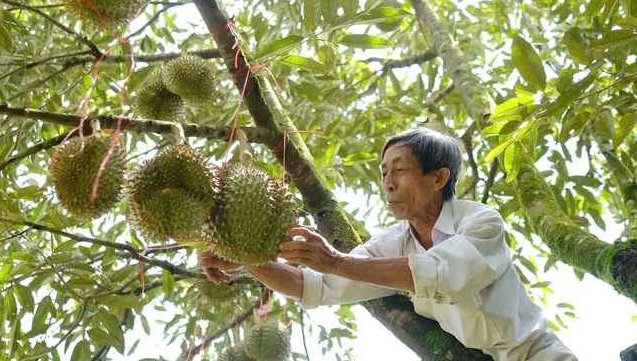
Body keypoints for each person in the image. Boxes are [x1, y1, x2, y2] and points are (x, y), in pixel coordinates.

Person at [199, 127, 577, 360]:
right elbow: (312, 286)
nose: (388, 184)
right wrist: (245, 255)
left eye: (399, 170)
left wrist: (334, 261)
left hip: (538, 354)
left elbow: (442, 274)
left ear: (438, 177)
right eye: (383, 174)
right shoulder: (393, 244)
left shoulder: (480, 221)